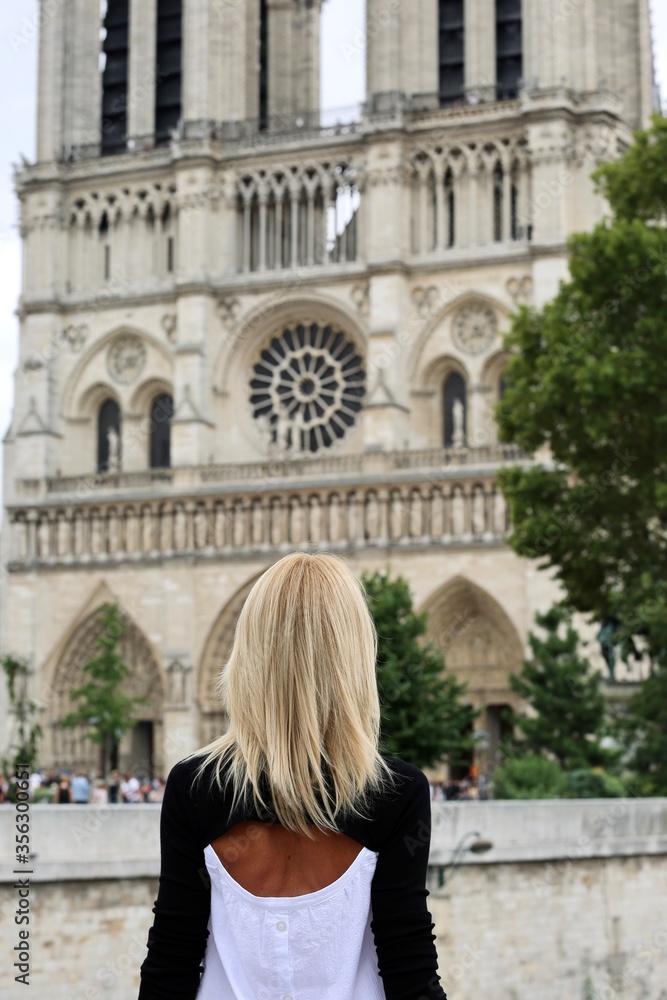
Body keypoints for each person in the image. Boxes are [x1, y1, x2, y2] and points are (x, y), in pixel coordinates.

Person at [138, 552, 447, 999]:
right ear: (354, 658)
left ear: (249, 656)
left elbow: (171, 961)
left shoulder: (196, 786)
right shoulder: (396, 793)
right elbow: (409, 968)